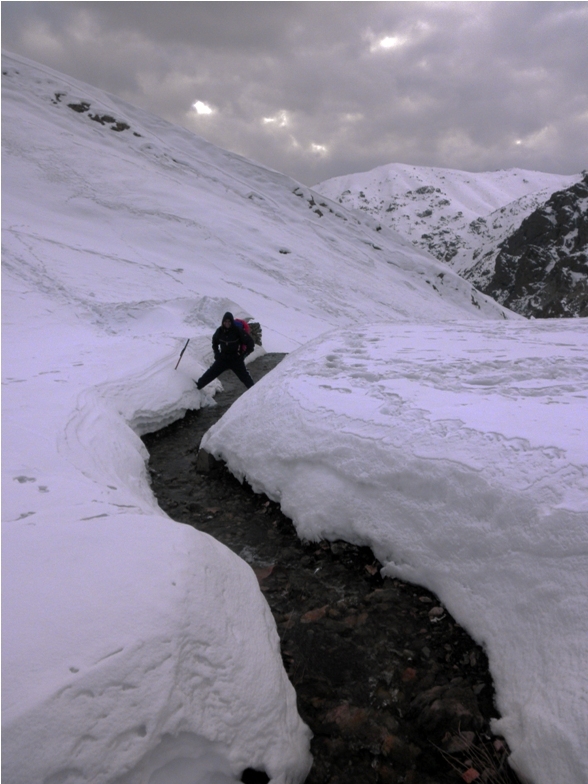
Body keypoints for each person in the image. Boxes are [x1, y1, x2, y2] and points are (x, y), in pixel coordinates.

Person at [196, 312, 255, 390]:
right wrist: (217, 354)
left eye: (229, 321)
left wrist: (243, 356)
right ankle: (197, 387)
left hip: (236, 359)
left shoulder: (238, 331)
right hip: (223, 358)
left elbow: (250, 344)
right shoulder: (220, 331)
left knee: (245, 378)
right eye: (225, 321)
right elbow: (215, 342)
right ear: (223, 322)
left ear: (232, 322)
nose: (227, 323)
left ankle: (255, 392)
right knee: (211, 373)